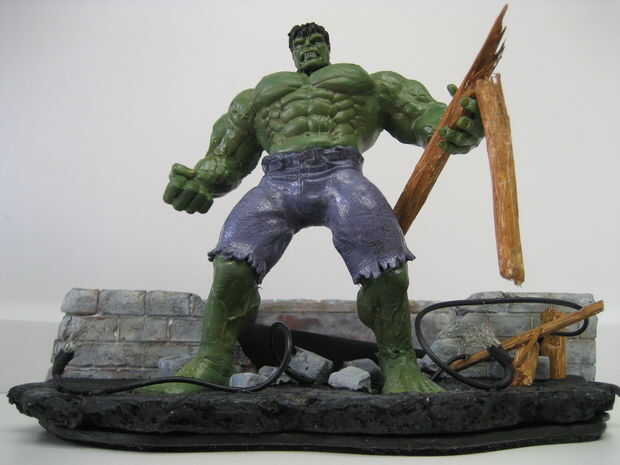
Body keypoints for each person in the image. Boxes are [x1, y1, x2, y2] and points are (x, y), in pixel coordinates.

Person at [159, 23, 483, 394]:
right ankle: (211, 362)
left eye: (316, 40)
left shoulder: (367, 82)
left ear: (328, 46)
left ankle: (399, 364)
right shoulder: (258, 96)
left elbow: (424, 117)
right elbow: (225, 158)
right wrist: (199, 182)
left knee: (386, 268)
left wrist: (456, 124)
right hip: (277, 181)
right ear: (292, 52)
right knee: (231, 264)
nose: (308, 47)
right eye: (300, 43)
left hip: (340, 174)